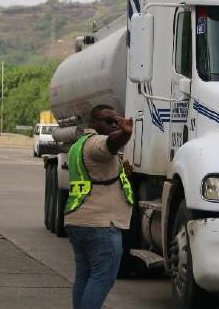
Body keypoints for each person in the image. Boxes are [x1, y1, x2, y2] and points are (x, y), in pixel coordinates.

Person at [65, 104, 134, 309]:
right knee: (102, 278)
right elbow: (111, 144)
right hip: (101, 224)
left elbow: (96, 174)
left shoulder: (79, 144)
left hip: (78, 221)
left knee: (85, 276)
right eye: (109, 121)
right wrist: (125, 134)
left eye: (116, 121)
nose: (114, 125)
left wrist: (123, 172)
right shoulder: (96, 142)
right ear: (94, 123)